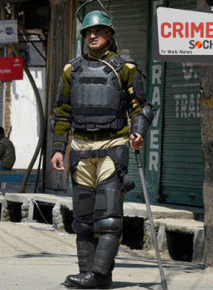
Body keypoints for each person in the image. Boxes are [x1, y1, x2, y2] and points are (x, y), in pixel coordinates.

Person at [51, 9, 154, 289]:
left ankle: (98, 275)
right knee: (83, 221)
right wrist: (58, 148)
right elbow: (61, 111)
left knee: (108, 219)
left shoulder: (126, 68)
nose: (92, 35)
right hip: (81, 147)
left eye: (98, 31)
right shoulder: (71, 69)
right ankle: (90, 274)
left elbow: (143, 107)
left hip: (113, 146)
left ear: (109, 35)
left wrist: (139, 132)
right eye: (88, 32)